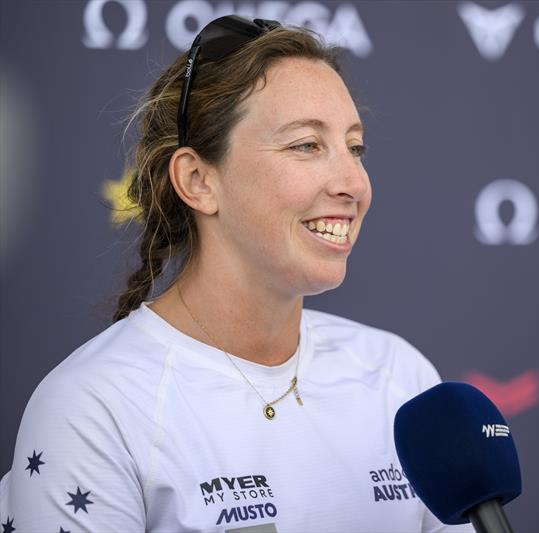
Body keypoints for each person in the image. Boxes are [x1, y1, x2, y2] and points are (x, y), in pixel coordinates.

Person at [0, 16, 472, 533]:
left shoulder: (398, 378)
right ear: (198, 180)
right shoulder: (93, 408)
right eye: (306, 145)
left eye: (354, 148)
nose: (353, 183)